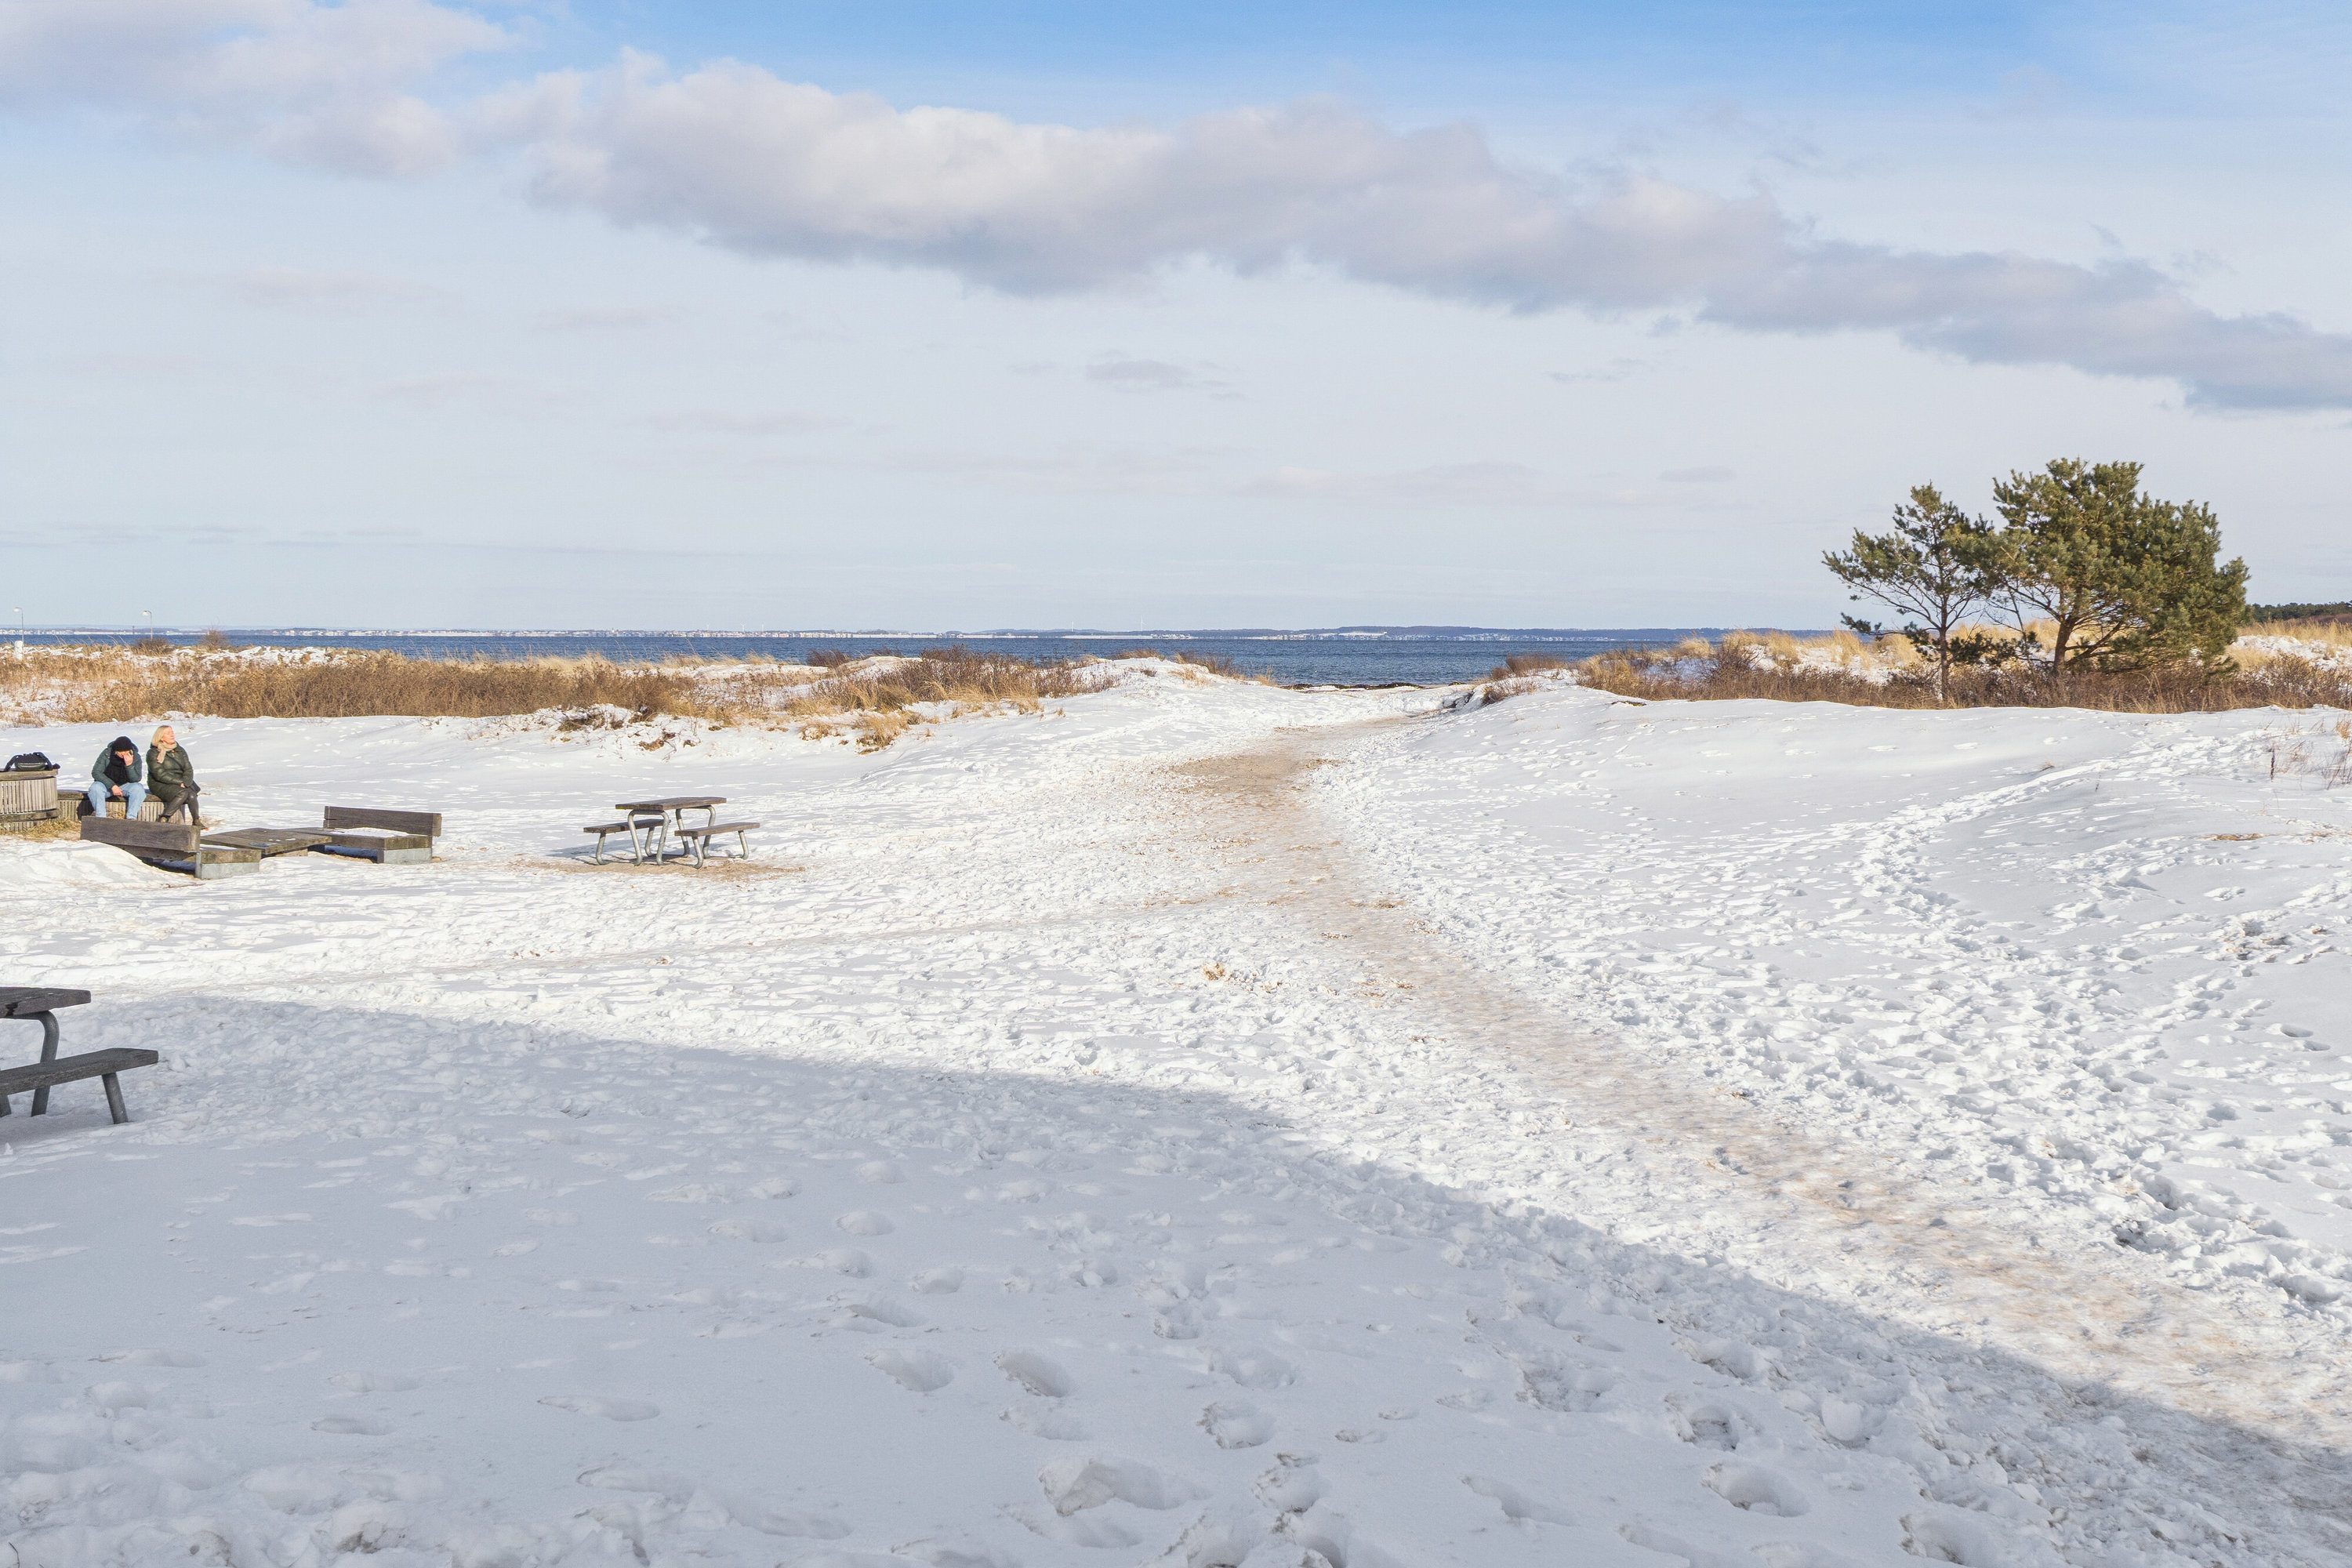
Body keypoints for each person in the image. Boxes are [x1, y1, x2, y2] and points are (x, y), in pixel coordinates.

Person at [147, 724, 201, 826]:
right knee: (183, 793)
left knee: (192, 795)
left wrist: (186, 781)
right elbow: (159, 774)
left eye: (172, 732)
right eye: (168, 733)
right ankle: (164, 817)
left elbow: (188, 769)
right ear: (161, 737)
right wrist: (179, 782)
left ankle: (196, 820)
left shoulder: (179, 750)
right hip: (160, 784)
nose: (172, 735)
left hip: (180, 783)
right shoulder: (153, 752)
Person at [87, 735, 146, 819]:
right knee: (95, 788)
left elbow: (136, 779)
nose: (124, 754)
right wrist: (112, 786)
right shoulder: (107, 754)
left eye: (126, 751)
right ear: (116, 751)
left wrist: (129, 765)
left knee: (139, 789)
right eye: (121, 752)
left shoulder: (135, 757)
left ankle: (131, 818)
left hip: (125, 785)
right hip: (106, 786)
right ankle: (101, 817)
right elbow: (96, 772)